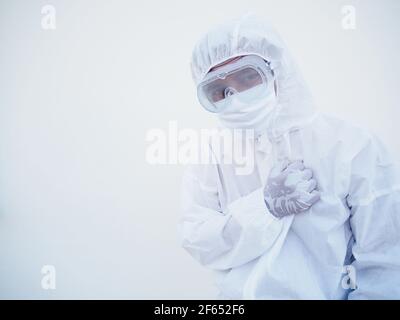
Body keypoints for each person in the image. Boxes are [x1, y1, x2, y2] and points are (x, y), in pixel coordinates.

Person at [179, 14, 400, 299]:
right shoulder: (211, 156)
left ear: (278, 70)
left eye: (248, 76)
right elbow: (198, 239)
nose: (234, 96)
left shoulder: (351, 146)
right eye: (219, 90)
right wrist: (263, 207)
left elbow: (385, 261)